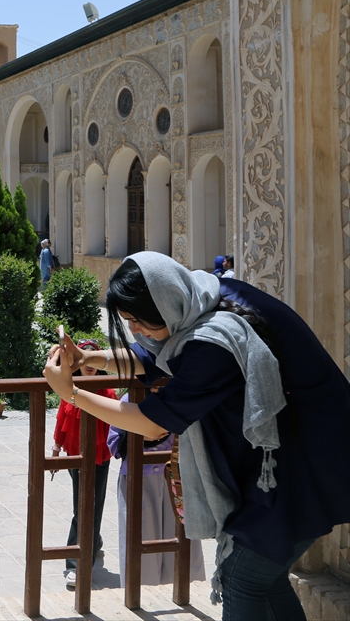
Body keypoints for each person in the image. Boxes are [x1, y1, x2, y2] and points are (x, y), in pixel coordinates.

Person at [43, 251, 350, 621]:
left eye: (139, 320)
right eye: (129, 322)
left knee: (242, 576)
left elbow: (153, 423)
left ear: (165, 302)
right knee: (262, 580)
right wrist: (91, 359)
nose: (136, 330)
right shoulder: (207, 295)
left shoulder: (214, 339)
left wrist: (71, 394)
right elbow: (157, 354)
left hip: (303, 466)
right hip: (287, 461)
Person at [108, 392, 206, 588]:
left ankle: (185, 591)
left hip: (177, 477)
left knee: (181, 539)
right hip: (139, 478)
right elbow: (114, 444)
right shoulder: (129, 399)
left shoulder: (180, 393)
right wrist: (139, 432)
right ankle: (140, 593)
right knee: (140, 541)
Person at [51, 339, 114, 590]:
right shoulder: (71, 389)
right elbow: (61, 420)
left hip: (101, 457)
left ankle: (83, 555)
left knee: (92, 506)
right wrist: (55, 450)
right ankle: (83, 554)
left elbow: (118, 423)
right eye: (84, 359)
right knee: (83, 505)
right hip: (76, 457)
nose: (89, 365)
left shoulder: (108, 391)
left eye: (93, 359)